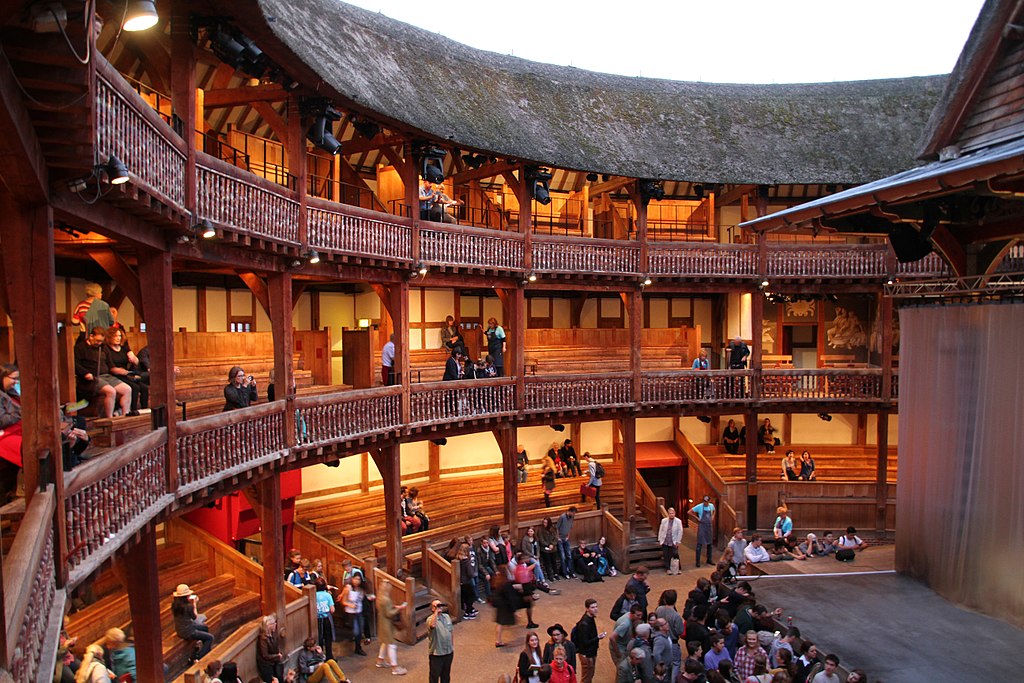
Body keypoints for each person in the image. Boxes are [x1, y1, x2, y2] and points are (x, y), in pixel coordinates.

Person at [75, 326, 132, 417]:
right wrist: (85, 373)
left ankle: (125, 416)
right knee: (111, 391)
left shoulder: (103, 347)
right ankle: (109, 419)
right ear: (91, 336)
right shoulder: (80, 348)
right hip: (92, 378)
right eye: (97, 340)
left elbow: (110, 364)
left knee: (127, 389)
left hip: (107, 376)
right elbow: (76, 364)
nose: (99, 343)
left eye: (101, 341)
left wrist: (119, 370)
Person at [103, 326, 147, 413]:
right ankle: (133, 410)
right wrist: (125, 372)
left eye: (119, 336)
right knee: (134, 387)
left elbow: (137, 362)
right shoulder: (106, 349)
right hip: (115, 375)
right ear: (109, 337)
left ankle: (144, 409)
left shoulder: (124, 348)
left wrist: (134, 359)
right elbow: (111, 368)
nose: (118, 338)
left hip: (126, 374)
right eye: (115, 336)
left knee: (144, 388)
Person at [172, 584, 214, 661]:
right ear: (187, 596)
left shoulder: (174, 605)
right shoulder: (188, 606)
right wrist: (194, 604)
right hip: (189, 632)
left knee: (205, 628)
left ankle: (201, 647)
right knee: (210, 638)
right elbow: (195, 618)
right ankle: (198, 657)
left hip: (180, 630)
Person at [375, 581, 407, 675]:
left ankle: (380, 661)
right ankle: (395, 667)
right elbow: (389, 613)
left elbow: (385, 609)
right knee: (392, 644)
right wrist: (400, 608)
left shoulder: (380, 598)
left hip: (381, 623)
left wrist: (394, 606)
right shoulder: (386, 599)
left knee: (385, 642)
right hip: (387, 625)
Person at [571, 598, 607, 683]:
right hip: (587, 655)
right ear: (587, 609)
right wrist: (598, 637)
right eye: (592, 607)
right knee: (586, 678)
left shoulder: (590, 618)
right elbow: (585, 642)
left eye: (596, 606)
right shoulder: (584, 624)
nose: (595, 609)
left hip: (591, 652)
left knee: (589, 676)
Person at [339, 572, 371, 655]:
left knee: (360, 630)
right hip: (351, 612)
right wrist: (350, 605)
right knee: (356, 630)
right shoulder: (348, 588)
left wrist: (369, 597)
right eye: (355, 579)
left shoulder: (361, 589)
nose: (357, 581)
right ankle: (355, 644)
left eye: (359, 579)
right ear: (352, 579)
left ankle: (358, 647)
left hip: (359, 611)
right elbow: (344, 601)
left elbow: (364, 596)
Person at [427, 600, 454, 683]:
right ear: (432, 608)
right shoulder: (430, 619)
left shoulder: (446, 617)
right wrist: (436, 612)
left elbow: (451, 631)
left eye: (440, 605)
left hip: (448, 652)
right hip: (437, 654)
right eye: (436, 606)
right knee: (434, 677)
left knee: (446, 676)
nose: (439, 607)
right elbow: (433, 625)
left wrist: (452, 646)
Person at [256, 614, 286, 683]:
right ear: (269, 626)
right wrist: (277, 656)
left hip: (274, 661)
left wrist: (278, 654)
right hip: (266, 665)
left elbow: (277, 646)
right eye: (273, 623)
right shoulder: (263, 639)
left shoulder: (273, 634)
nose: (275, 624)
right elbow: (265, 655)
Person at [689, 495, 716, 568]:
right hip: (702, 526)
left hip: (709, 526)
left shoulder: (711, 506)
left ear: (709, 501)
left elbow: (714, 511)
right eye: (704, 501)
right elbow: (689, 512)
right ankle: (697, 561)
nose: (705, 503)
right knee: (699, 544)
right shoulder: (699, 506)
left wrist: (713, 516)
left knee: (710, 544)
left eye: (707, 502)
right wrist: (697, 518)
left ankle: (709, 559)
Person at [657, 507, 683, 574]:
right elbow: (661, 530)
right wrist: (660, 540)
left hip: (673, 541)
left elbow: (680, 532)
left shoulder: (678, 521)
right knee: (666, 555)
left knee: (675, 554)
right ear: (668, 514)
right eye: (670, 513)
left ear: (675, 513)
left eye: (673, 513)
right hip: (665, 540)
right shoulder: (664, 520)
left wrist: (678, 541)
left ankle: (678, 568)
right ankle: (668, 568)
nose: (671, 515)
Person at [556, 507, 577, 579]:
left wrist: (568, 535)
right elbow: (557, 528)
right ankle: (565, 573)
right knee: (563, 556)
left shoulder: (572, 518)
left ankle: (571, 571)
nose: (574, 514)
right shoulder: (562, 517)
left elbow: (570, 527)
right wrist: (558, 538)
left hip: (566, 538)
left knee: (569, 556)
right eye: (573, 513)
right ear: (569, 511)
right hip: (560, 538)